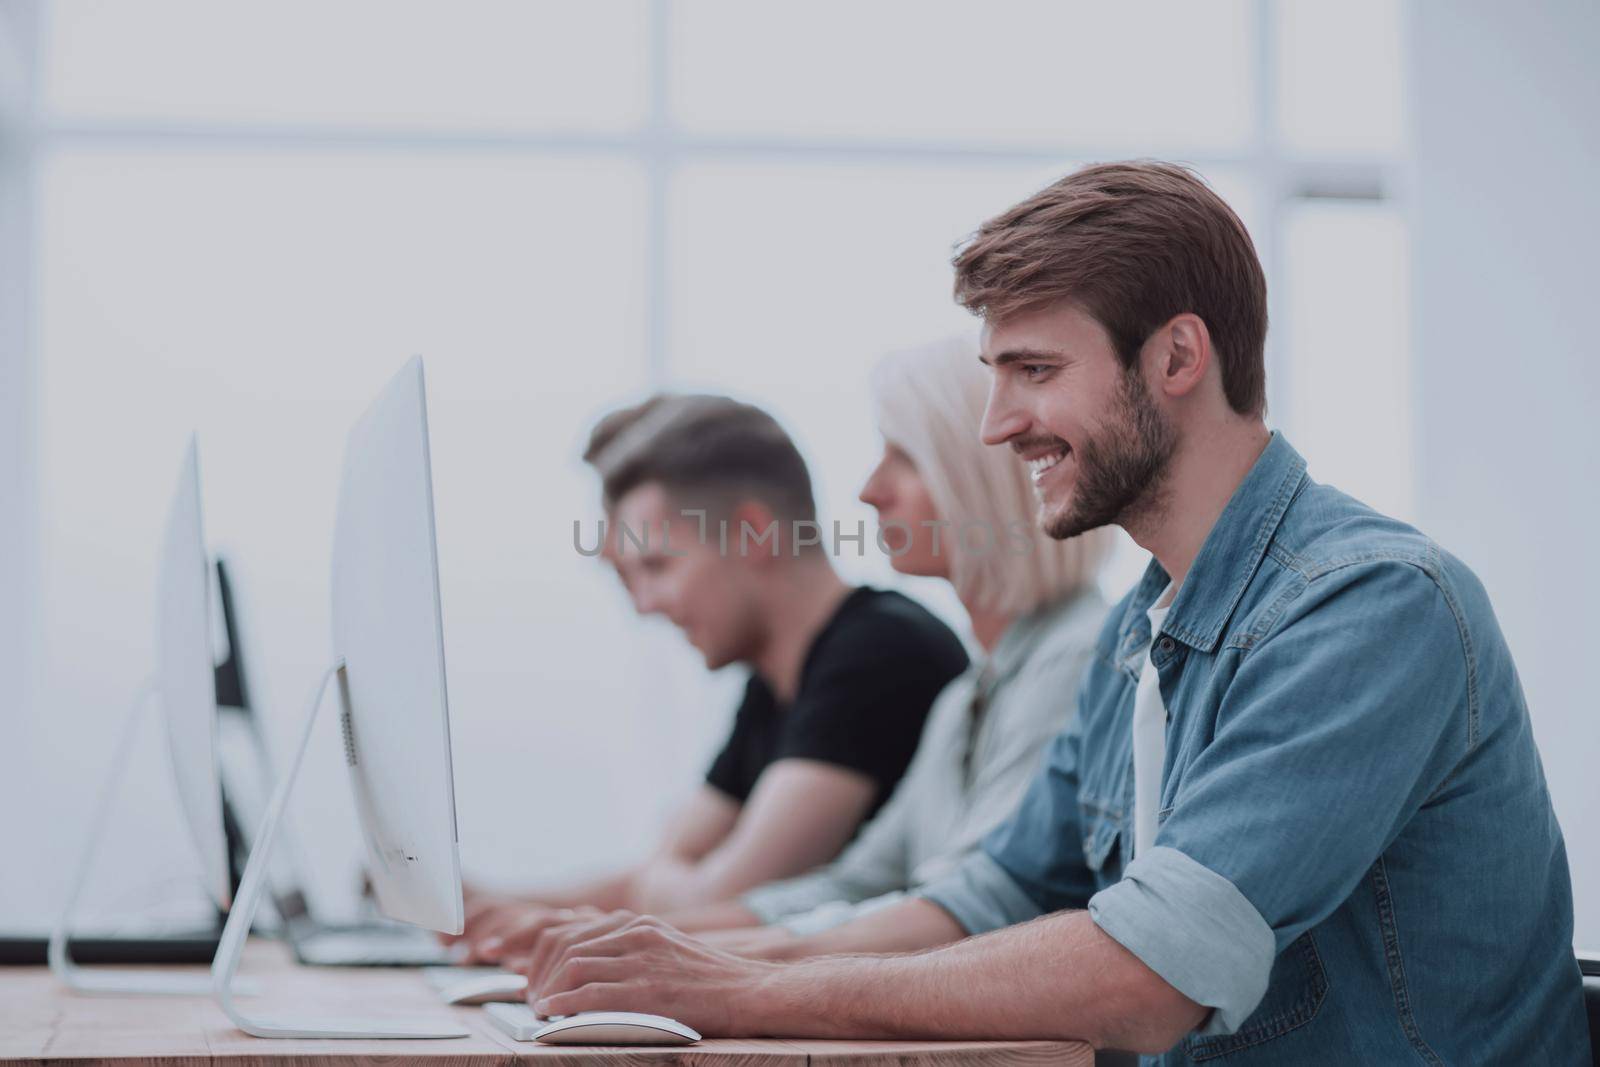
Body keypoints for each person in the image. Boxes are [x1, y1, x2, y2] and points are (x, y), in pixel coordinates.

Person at [515, 162, 1591, 1063]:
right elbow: (991, 889)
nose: (994, 425)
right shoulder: (1140, 629)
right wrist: (717, 966)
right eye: (993, 375)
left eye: (1033, 370)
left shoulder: (1365, 607)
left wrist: (743, 992)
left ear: (1176, 356)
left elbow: (1152, 970)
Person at [485, 334, 1110, 967]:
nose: (867, 491)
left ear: (982, 474)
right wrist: (633, 941)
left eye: (904, 458)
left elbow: (970, 908)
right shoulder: (964, 698)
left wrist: (701, 956)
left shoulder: (1035, 659)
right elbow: (859, 885)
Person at [456, 394, 970, 961]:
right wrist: (501, 911)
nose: (645, 604)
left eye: (658, 566)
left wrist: (670, 881)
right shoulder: (774, 681)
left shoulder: (879, 652)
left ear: (753, 532)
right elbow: (663, 873)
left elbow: (720, 897)